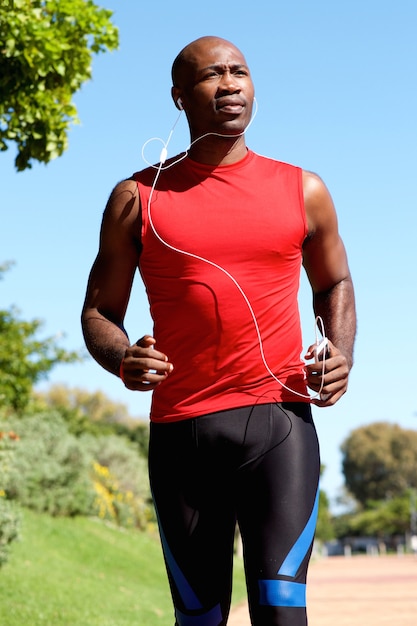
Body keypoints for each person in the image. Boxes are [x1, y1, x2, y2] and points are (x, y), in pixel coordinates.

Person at [81, 35, 356, 626]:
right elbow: (98, 312)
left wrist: (341, 353)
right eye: (212, 75)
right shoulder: (138, 197)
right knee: (201, 617)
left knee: (283, 612)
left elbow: (334, 284)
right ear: (180, 97)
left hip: (280, 425)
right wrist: (124, 356)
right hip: (184, 435)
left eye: (240, 72)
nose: (230, 84)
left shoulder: (303, 190)